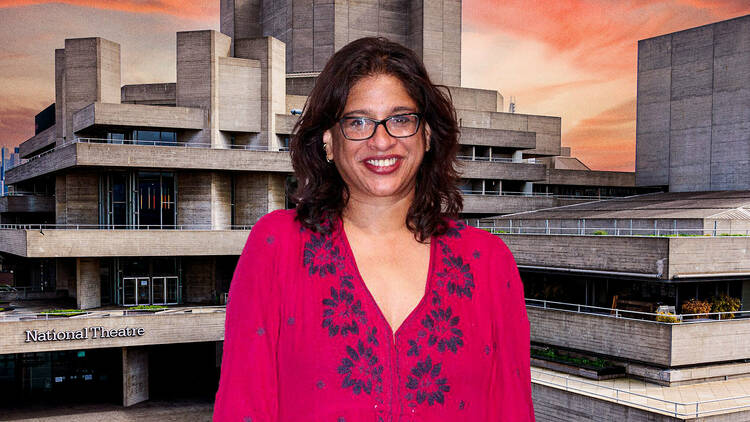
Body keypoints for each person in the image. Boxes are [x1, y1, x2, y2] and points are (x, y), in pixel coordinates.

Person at [213, 37, 535, 421]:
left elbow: (513, 408)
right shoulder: (278, 247)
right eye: (358, 122)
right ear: (329, 142)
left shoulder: (487, 262)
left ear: (427, 135)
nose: (381, 140)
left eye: (401, 119)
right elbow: (242, 406)